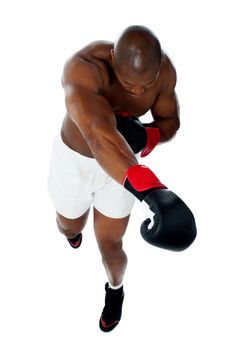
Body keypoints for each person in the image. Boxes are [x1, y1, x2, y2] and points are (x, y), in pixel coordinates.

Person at [47, 25, 196, 332]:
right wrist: (153, 190)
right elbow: (99, 137)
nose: (138, 93)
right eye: (129, 85)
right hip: (75, 160)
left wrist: (147, 134)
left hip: (122, 167)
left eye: (146, 86)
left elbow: (170, 122)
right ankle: (72, 231)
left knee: (111, 246)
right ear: (113, 59)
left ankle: (115, 290)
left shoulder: (165, 72)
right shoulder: (84, 69)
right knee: (68, 225)